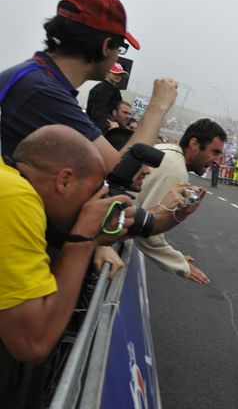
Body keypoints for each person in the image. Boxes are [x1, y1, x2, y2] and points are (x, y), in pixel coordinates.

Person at [0, 125, 134, 406]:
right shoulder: (16, 198)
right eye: (95, 192)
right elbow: (32, 341)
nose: (96, 202)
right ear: (64, 180)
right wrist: (83, 238)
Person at [0, 0, 177, 172]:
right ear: (106, 46)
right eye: (121, 48)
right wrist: (158, 107)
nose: (118, 56)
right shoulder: (43, 91)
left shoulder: (33, 77)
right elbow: (120, 171)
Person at [134, 119, 226, 284]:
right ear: (194, 144)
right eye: (215, 152)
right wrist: (179, 263)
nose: (218, 161)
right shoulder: (176, 170)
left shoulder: (169, 153)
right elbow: (145, 226)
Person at [86, 62, 129, 132]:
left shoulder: (111, 89)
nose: (118, 76)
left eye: (120, 74)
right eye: (115, 73)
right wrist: (108, 126)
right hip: (100, 130)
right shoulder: (104, 89)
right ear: (107, 72)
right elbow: (98, 114)